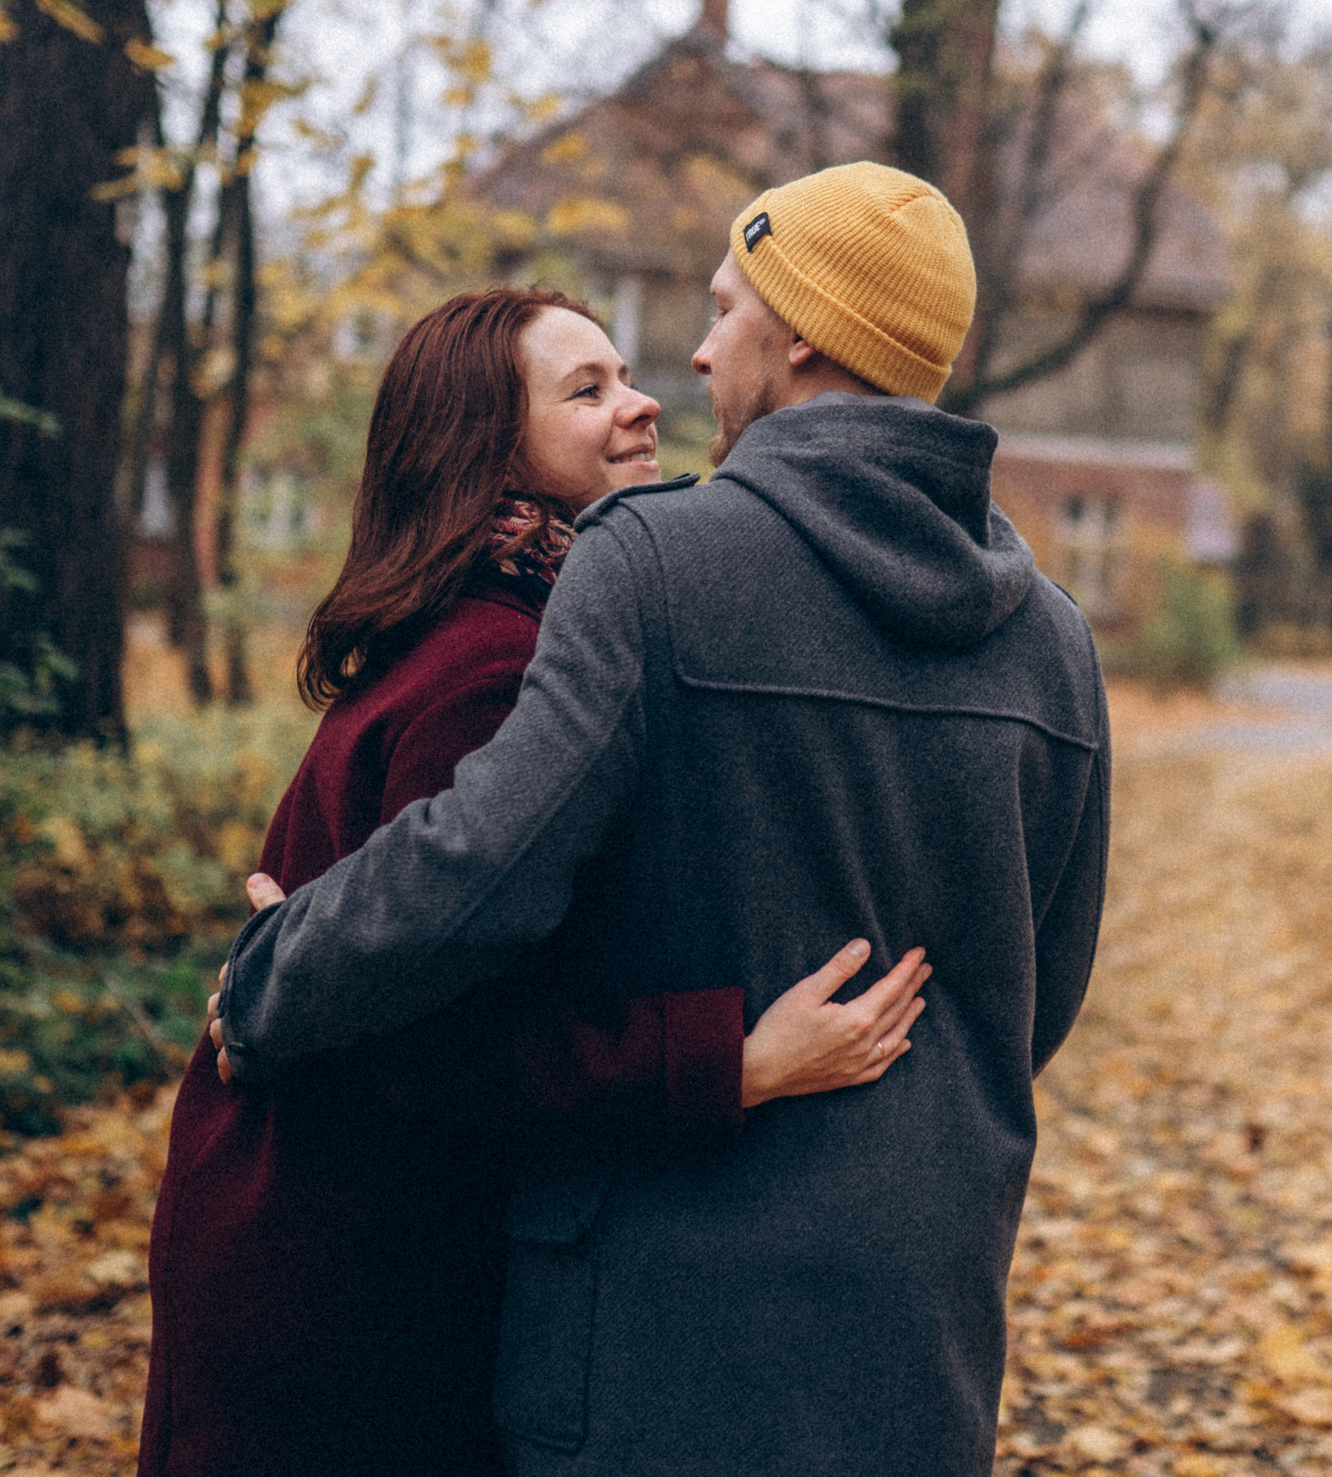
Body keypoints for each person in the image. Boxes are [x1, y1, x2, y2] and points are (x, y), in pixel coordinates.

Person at [214, 163, 1110, 1477]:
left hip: (645, 1329)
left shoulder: (654, 559)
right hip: (919, 1323)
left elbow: (479, 866)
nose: (698, 350)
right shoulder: (1055, 645)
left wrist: (274, 971)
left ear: (799, 330)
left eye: (724, 303)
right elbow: (1041, 993)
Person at [137, 286, 931, 1477]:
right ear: (484, 449)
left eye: (625, 374)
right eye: (588, 390)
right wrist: (735, 1061)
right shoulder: (499, 668)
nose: (644, 401)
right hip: (349, 1279)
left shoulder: (484, 623)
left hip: (303, 1225)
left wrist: (288, 965)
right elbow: (436, 1046)